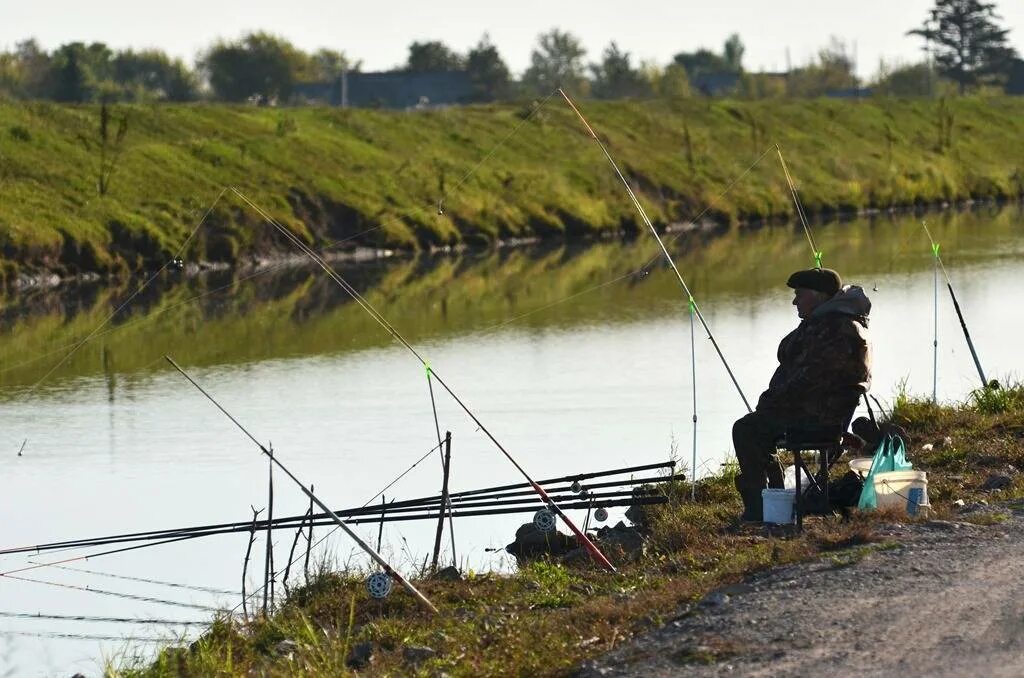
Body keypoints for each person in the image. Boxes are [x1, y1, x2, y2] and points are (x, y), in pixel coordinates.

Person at [733, 268, 872, 521]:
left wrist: (770, 404)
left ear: (819, 296)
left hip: (817, 419)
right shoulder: (827, 323)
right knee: (754, 427)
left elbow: (809, 382)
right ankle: (773, 502)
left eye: (800, 294)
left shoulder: (836, 330)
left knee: (746, 429)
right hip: (812, 412)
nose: (794, 301)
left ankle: (760, 509)